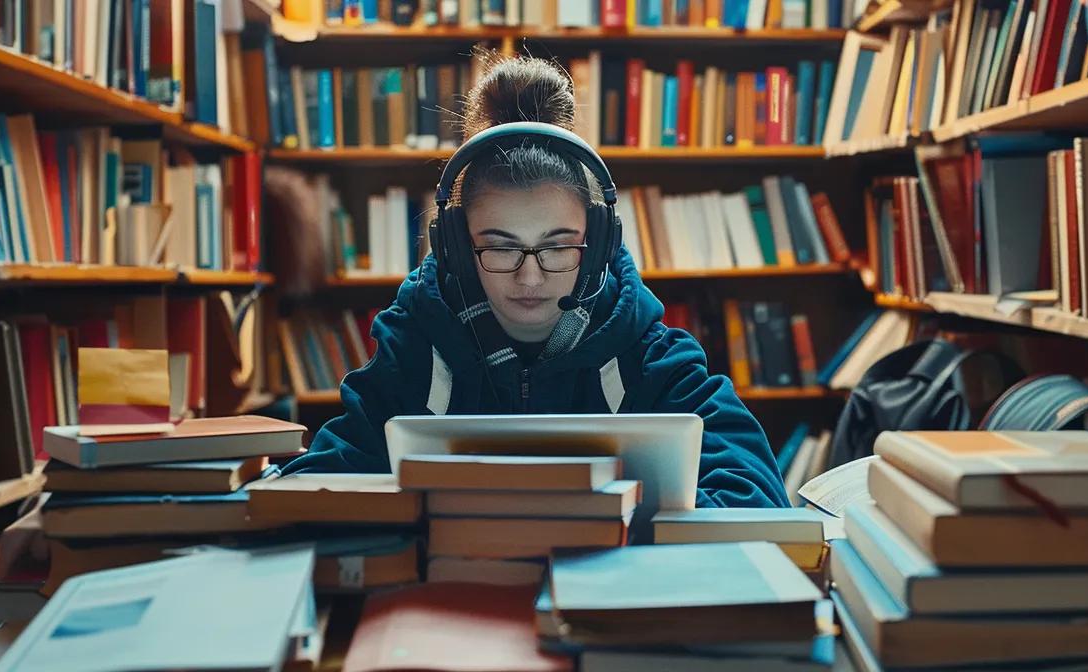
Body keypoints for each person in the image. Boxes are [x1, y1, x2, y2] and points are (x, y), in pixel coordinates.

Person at [282, 56, 788, 508]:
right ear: (457, 249)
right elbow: (311, 492)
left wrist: (599, 520)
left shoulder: (652, 355)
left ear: (599, 246)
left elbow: (757, 498)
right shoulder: (412, 349)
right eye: (500, 247)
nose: (530, 276)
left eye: (558, 246)